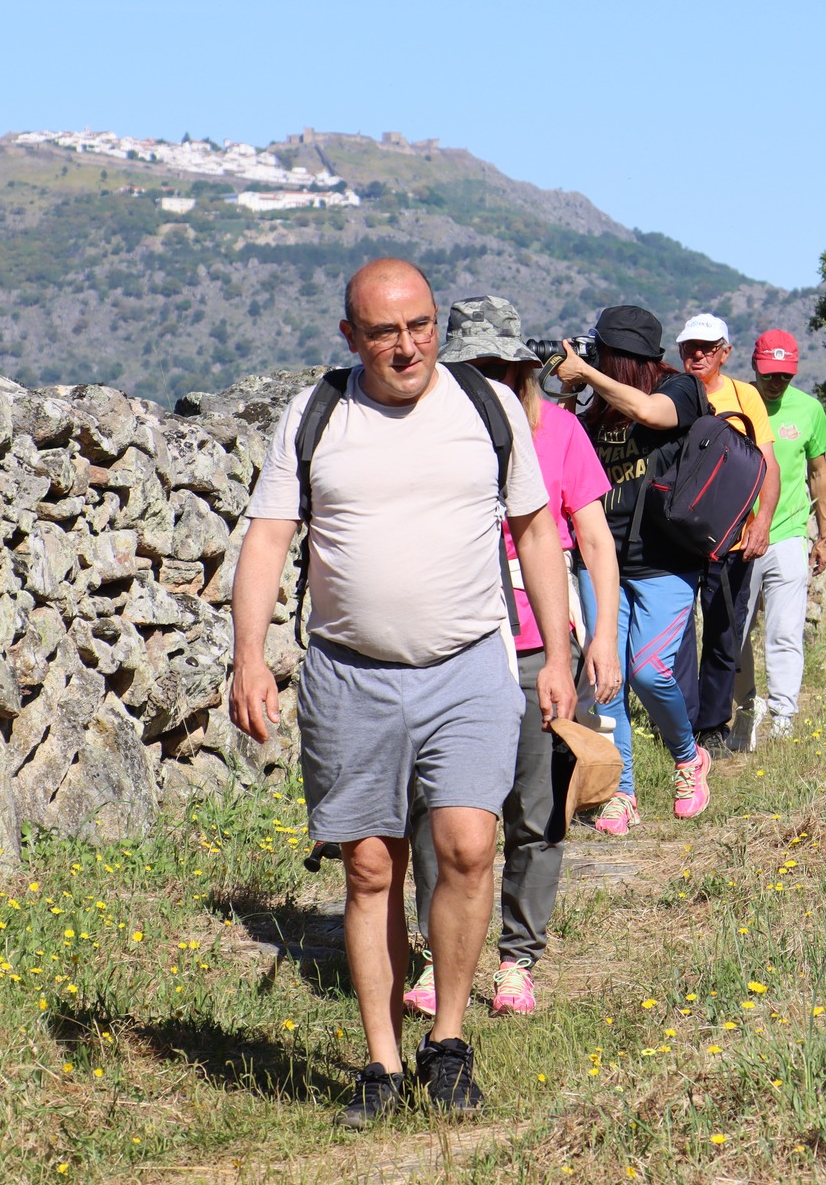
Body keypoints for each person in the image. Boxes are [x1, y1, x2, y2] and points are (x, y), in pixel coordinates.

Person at [226, 260, 575, 1128]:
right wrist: (248, 657)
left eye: (420, 325)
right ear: (351, 337)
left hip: (469, 664)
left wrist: (559, 653)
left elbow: (536, 530)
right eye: (384, 332)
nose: (408, 346)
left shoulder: (487, 407)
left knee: (468, 846)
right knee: (371, 866)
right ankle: (381, 1064)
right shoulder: (316, 415)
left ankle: (447, 1044)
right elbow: (268, 539)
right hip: (351, 673)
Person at [403, 296, 622, 1020]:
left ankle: (516, 959)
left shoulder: (559, 432)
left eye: (503, 366)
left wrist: (600, 635)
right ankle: (438, 954)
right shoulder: (424, 433)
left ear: (526, 370)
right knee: (439, 812)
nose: (492, 379)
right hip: (450, 647)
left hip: (535, 650)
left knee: (537, 811)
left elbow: (593, 538)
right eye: (476, 366)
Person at [553, 306, 715, 833]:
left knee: (648, 671)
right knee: (606, 679)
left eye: (602, 354)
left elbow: (651, 413)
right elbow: (562, 449)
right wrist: (569, 392)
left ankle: (688, 758)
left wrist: (589, 373)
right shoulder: (597, 406)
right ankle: (621, 794)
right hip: (602, 561)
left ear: (622, 357)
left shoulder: (680, 388)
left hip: (665, 561)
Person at [668, 314, 779, 757]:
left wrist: (762, 521)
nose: (698, 355)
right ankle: (680, 725)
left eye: (707, 348)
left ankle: (712, 725)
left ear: (725, 352)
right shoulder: (670, 393)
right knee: (675, 634)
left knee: (723, 633)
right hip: (676, 538)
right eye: (690, 347)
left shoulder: (744, 396)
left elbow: (767, 464)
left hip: (732, 538)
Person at [735, 329, 826, 744]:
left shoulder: (809, 409)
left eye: (785, 375)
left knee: (785, 631)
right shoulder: (734, 403)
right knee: (733, 635)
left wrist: (824, 535)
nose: (776, 382)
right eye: (769, 373)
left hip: (789, 534)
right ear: (754, 366)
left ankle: (783, 718)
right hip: (738, 539)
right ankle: (744, 712)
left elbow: (819, 472)